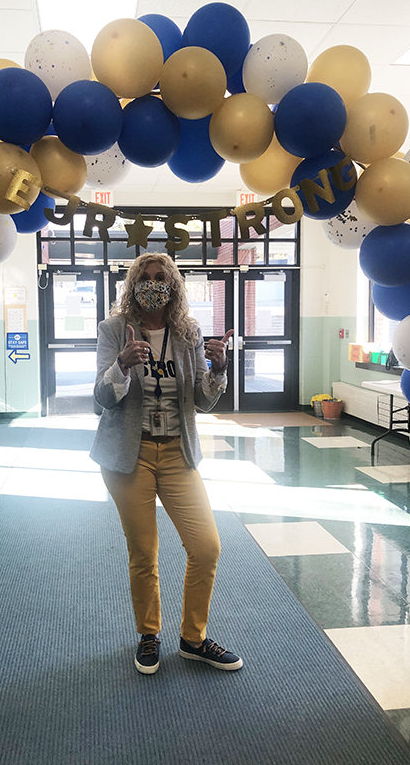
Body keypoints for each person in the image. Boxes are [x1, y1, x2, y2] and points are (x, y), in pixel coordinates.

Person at [90, 252, 242, 675]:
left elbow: (204, 401)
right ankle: (149, 635)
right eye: (146, 277)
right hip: (128, 455)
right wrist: (121, 364)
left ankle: (194, 639)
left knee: (206, 547)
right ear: (133, 284)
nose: (153, 284)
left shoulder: (187, 332)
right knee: (144, 552)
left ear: (173, 286)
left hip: (178, 452)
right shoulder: (113, 329)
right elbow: (100, 400)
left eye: (162, 278)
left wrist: (220, 368)